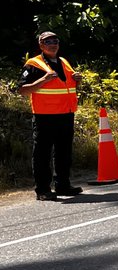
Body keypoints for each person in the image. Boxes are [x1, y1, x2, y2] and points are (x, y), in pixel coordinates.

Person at [18, 31, 84, 201]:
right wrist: (44, 80)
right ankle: (43, 190)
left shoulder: (63, 62)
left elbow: (66, 86)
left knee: (64, 152)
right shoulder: (34, 64)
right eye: (48, 41)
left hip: (66, 114)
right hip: (44, 116)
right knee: (42, 154)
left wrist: (77, 79)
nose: (53, 44)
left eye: (55, 40)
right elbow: (23, 90)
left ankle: (63, 185)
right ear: (41, 45)